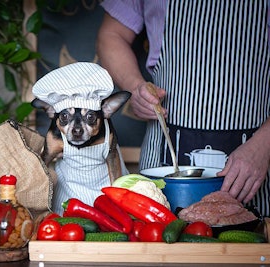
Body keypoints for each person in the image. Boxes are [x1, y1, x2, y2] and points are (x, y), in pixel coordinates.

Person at [96, 0, 270, 217]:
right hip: (164, 152)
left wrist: (265, 142)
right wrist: (135, 87)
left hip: (257, 156)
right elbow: (111, 36)